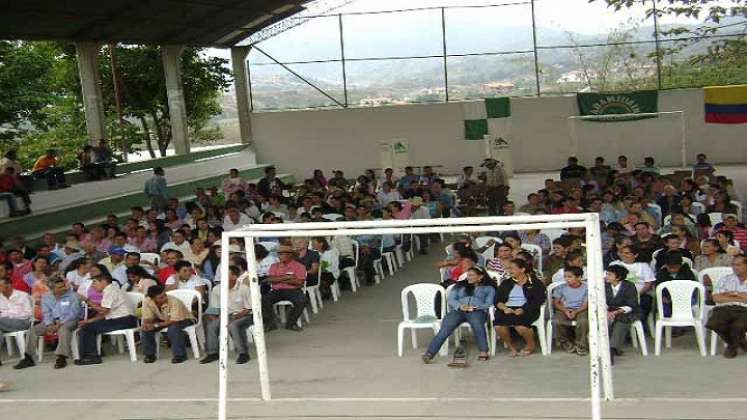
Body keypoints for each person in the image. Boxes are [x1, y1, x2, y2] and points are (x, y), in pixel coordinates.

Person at [422, 267, 496, 363]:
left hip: (477, 311)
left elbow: (489, 303)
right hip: (459, 310)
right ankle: (429, 353)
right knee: (446, 327)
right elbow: (451, 299)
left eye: (471, 275)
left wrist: (476, 307)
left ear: (480, 276)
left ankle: (483, 351)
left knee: (476, 323)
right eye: (468, 275)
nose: (468, 277)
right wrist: (460, 306)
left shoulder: (488, 288)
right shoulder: (460, 285)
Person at [14, 276, 81, 369]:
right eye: (60, 287)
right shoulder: (46, 297)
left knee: (63, 329)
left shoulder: (74, 296)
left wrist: (59, 324)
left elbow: (74, 313)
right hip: (52, 321)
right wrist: (49, 324)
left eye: (63, 286)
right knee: (33, 331)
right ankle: (28, 357)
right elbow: (46, 313)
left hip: (70, 320)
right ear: (52, 289)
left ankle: (61, 357)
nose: (64, 288)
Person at [74, 272, 137, 365]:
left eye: (94, 282)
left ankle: (92, 357)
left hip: (124, 320)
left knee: (87, 329)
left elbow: (103, 311)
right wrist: (88, 321)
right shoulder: (111, 290)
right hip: (124, 319)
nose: (93, 286)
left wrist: (87, 300)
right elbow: (105, 313)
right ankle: (95, 352)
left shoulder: (110, 291)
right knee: (88, 326)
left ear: (103, 281)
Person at [201, 265, 254, 364]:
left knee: (233, 325)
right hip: (225, 315)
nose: (222, 277)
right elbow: (214, 308)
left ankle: (243, 353)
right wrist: (213, 317)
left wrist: (235, 317)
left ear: (234, 277)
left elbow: (249, 308)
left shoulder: (244, 288)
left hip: (244, 315)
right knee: (212, 325)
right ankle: (213, 353)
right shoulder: (217, 289)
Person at [493, 259, 547, 357]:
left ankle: (530, 344)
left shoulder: (534, 283)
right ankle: (511, 347)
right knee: (498, 325)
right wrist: (505, 308)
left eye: (512, 269)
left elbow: (539, 300)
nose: (509, 271)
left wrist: (523, 309)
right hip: (507, 308)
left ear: (522, 269)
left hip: (528, 308)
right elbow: (497, 300)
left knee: (521, 326)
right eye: (509, 268)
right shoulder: (506, 283)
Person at [141, 283, 195, 364]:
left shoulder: (174, 301)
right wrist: (147, 324)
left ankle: (180, 355)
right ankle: (150, 355)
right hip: (163, 318)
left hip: (184, 319)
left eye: (165, 295)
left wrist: (156, 325)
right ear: (153, 299)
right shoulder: (147, 301)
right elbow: (147, 317)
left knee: (173, 328)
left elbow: (174, 320)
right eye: (161, 297)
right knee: (146, 329)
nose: (165, 298)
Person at [706, 255, 747, 358]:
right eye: (733, 265)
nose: (735, 267)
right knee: (713, 323)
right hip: (725, 308)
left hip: (744, 310)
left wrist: (732, 294)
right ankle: (741, 343)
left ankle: (732, 347)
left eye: (738, 265)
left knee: (738, 326)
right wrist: (740, 297)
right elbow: (716, 298)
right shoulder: (726, 279)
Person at [609, 245, 656, 333]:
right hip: (618, 295)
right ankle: (621, 328)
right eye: (622, 253)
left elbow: (649, 283)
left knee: (646, 301)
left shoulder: (643, 266)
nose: (623, 255)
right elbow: (607, 280)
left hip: (640, 295)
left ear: (635, 255)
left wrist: (636, 294)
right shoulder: (615, 264)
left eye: (627, 253)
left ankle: (634, 327)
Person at [262, 245, 307, 332]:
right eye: (280, 254)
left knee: (302, 300)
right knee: (264, 300)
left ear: (291, 255)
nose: (281, 256)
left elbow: (299, 282)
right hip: (277, 290)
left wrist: (278, 279)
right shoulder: (274, 266)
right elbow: (270, 280)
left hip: (293, 290)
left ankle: (291, 323)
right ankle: (270, 324)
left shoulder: (299, 266)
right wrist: (287, 277)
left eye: (284, 254)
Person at [604, 265, 641, 362]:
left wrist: (616, 312)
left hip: (627, 312)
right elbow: (601, 301)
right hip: (608, 311)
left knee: (621, 321)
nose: (606, 276)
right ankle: (612, 348)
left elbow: (632, 305)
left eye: (609, 274)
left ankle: (611, 349)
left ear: (618, 277)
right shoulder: (604, 286)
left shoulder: (629, 286)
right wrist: (607, 311)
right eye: (607, 274)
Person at [552, 267, 589, 355]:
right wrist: (565, 310)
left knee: (583, 321)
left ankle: (581, 344)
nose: (566, 279)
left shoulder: (586, 288)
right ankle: (565, 342)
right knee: (557, 321)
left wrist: (576, 311)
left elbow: (586, 304)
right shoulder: (561, 287)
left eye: (569, 277)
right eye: (565, 277)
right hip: (564, 309)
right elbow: (556, 303)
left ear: (579, 277)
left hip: (580, 309)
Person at [0, 277, 33, 366]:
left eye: (1, 286)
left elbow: (28, 314)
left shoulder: (23, 295)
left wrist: (9, 315)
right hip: (5, 323)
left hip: (23, 322)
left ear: (9, 286)